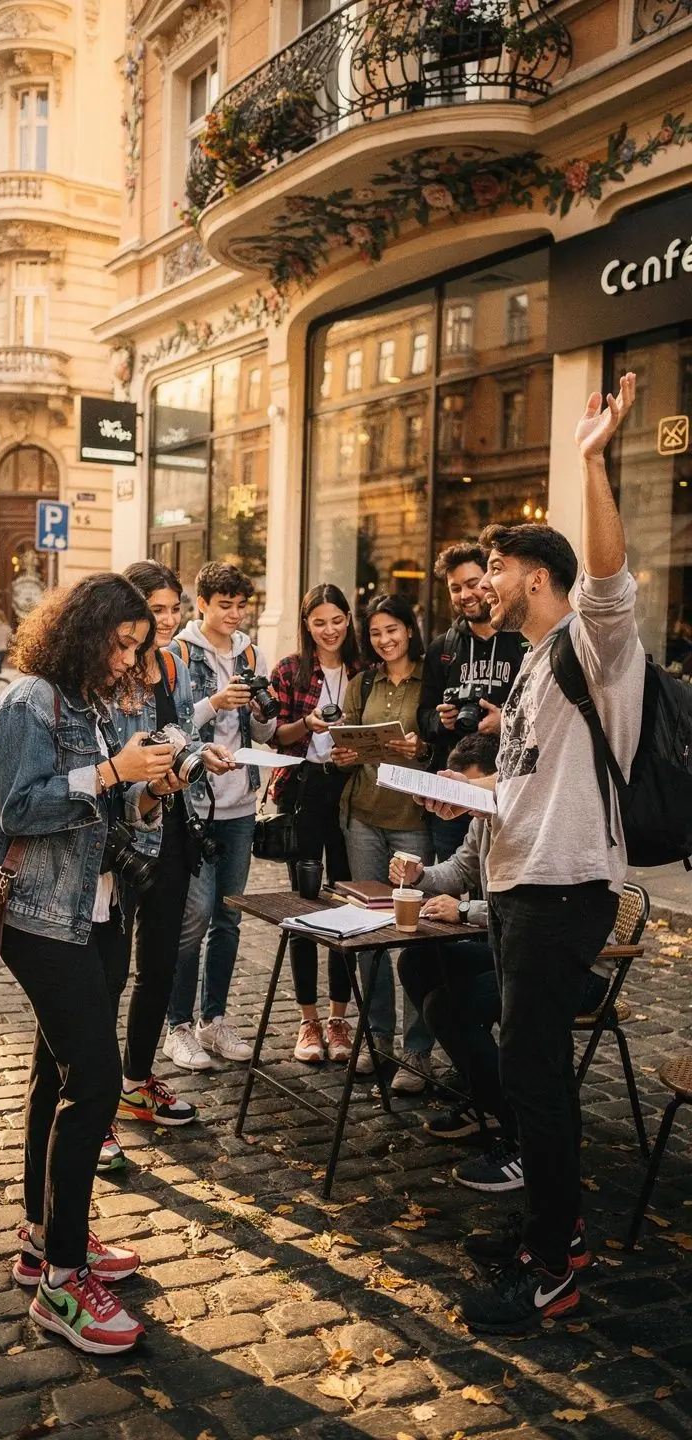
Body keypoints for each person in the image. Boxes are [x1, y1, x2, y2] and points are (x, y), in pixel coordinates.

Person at [425, 374, 643, 1334]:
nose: (485, 583)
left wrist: (592, 459)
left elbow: (606, 576)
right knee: (525, 1072)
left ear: (537, 577)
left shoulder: (588, 644)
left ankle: (556, 1265)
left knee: (540, 1078)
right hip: (520, 886)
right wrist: (472, 799)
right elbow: (524, 782)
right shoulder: (523, 673)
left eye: (499, 569)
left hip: (563, 892)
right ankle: (548, 1230)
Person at [0, 573, 178, 1354]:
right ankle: (61, 1283)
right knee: (93, 1083)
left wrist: (151, 791)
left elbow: (112, 822)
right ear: (85, 632)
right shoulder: (31, 703)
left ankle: (44, 1233)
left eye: (138, 647)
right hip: (38, 915)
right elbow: (20, 806)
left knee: (55, 1075)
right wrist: (116, 772)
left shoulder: (90, 705)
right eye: (121, 643)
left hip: (91, 911)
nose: (129, 661)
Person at [391, 732, 610, 1195]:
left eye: (477, 791)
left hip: (575, 967)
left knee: (447, 1007)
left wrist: (465, 910)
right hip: (509, 943)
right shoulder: (481, 814)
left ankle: (517, 1129)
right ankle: (481, 1093)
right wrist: (421, 876)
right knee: (417, 963)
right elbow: (463, 869)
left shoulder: (533, 812)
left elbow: (532, 899)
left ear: (501, 779)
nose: (474, 804)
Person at [108, 560, 233, 1145]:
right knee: (104, 973)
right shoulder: (111, 670)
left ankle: (135, 1080)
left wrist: (197, 755)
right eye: (155, 609)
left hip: (174, 827)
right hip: (120, 838)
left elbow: (181, 729)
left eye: (173, 608)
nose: (167, 620)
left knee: (158, 963)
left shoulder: (177, 665)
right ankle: (89, 1098)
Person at [164, 562, 276, 1071]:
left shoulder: (251, 652)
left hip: (240, 805)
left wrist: (262, 713)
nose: (233, 614)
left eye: (240, 605)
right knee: (195, 916)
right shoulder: (180, 653)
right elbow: (171, 725)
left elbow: (264, 735)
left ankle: (214, 1021)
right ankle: (177, 1025)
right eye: (223, 605)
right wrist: (214, 701)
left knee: (229, 917)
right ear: (201, 603)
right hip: (196, 803)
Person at [333, 593, 434, 1091]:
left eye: (392, 629)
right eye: (375, 632)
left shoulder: (429, 677)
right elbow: (344, 750)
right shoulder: (363, 681)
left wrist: (422, 746)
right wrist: (346, 753)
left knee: (413, 935)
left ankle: (418, 1052)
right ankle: (377, 1040)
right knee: (370, 934)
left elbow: (441, 741)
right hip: (363, 818)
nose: (384, 639)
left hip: (412, 819)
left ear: (409, 631)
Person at [270, 584, 362, 1063]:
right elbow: (274, 736)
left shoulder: (363, 670)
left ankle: (338, 1017)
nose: (329, 630)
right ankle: (307, 1021)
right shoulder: (290, 669)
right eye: (319, 622)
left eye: (337, 619)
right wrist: (308, 724)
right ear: (307, 625)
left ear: (349, 618)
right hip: (304, 789)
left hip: (350, 791)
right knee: (305, 905)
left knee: (347, 903)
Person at [418, 544, 526, 862]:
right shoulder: (442, 648)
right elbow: (423, 717)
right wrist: (442, 722)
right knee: (451, 879)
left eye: (472, 583)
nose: (464, 594)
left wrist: (503, 720)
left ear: (490, 581)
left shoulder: (520, 640)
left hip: (505, 787)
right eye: (455, 588)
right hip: (453, 789)